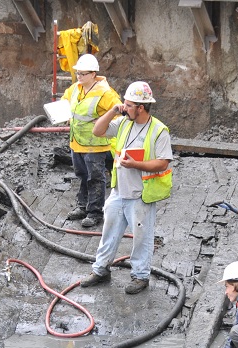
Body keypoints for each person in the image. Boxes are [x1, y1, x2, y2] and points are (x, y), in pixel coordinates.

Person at [79, 81, 173, 295]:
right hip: (118, 191)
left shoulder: (159, 131)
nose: (124, 106)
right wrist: (113, 110)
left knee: (142, 237)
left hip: (140, 194)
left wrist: (136, 164)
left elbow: (163, 162)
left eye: (128, 104)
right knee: (109, 232)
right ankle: (101, 270)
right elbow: (98, 130)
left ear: (141, 107)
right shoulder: (123, 123)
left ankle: (140, 276)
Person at [60, 53, 122, 228]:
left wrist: (105, 121)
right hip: (77, 142)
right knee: (82, 175)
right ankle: (83, 206)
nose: (78, 77)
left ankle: (95, 212)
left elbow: (119, 111)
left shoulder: (105, 93)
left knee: (95, 177)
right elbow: (65, 101)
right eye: (77, 73)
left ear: (93, 74)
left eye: (82, 74)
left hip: (95, 145)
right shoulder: (75, 88)